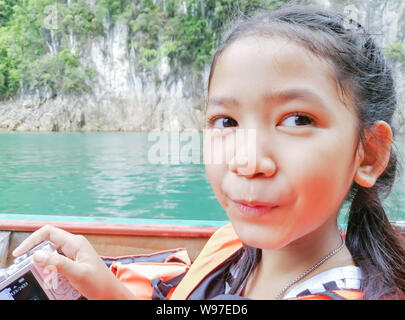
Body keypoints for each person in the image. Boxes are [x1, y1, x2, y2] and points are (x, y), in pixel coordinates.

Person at [12, 4, 405, 300]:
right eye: (226, 122)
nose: (247, 161)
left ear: (368, 153)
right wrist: (104, 288)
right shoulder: (232, 247)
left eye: (297, 119)